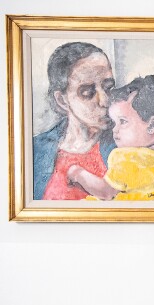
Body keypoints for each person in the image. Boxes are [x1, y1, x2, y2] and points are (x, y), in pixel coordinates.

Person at [34, 42, 116, 200]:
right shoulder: (36, 149)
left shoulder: (126, 145)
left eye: (108, 87)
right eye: (87, 92)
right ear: (62, 100)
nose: (105, 101)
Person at [67, 75, 154, 201]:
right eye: (115, 123)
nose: (115, 130)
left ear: (152, 125)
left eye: (123, 121)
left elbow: (105, 191)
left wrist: (77, 173)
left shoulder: (128, 158)